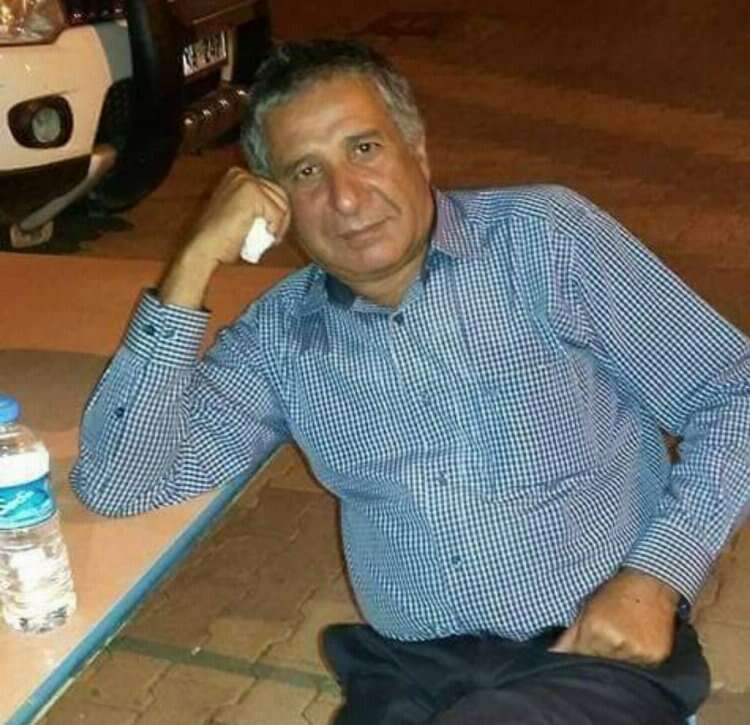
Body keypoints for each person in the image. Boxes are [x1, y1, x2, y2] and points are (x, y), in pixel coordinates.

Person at [72, 39, 749, 724]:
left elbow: (735, 391)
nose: (345, 197)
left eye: (364, 149)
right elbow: (121, 482)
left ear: (417, 150)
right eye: (307, 172)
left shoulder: (543, 242)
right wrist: (192, 262)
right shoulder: (280, 338)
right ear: (275, 204)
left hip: (591, 649)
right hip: (412, 673)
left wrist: (658, 574)